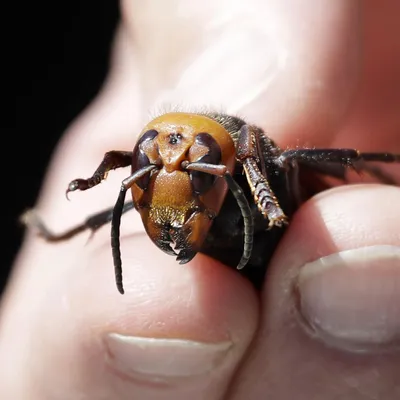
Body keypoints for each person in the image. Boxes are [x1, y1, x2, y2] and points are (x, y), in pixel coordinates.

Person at [1, 1, 399, 399]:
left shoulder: (253, 147)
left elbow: (270, 154)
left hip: (285, 246)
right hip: (240, 301)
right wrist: (96, 181)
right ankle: (68, 234)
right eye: (147, 163)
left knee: (291, 160)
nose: (169, 170)